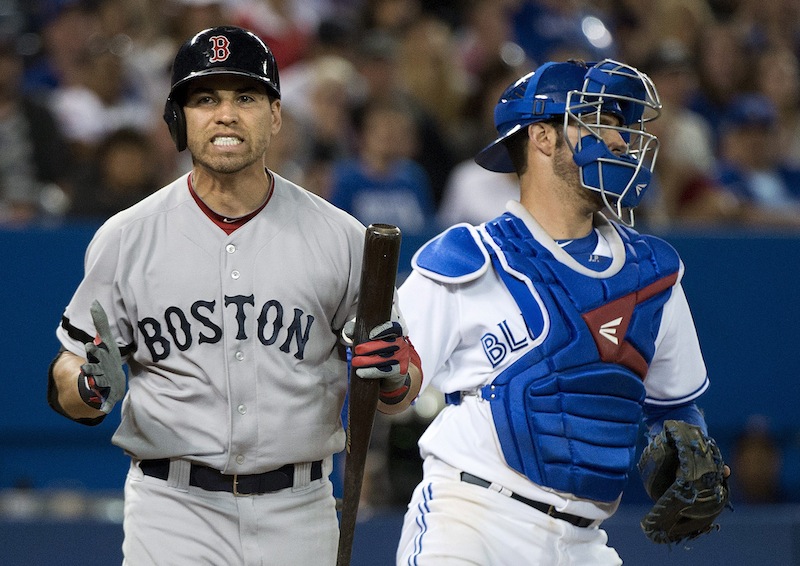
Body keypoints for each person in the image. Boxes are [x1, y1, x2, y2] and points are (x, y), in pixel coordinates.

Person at [46, 26, 423, 565]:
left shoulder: (339, 235)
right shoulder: (127, 237)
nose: (225, 114)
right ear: (179, 120)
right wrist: (83, 386)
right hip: (173, 509)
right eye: (205, 99)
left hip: (299, 509)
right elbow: (69, 370)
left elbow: (403, 382)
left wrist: (393, 375)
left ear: (275, 116)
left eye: (245, 97)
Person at [395, 59, 729, 564]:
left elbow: (675, 407)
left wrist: (690, 449)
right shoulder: (469, 255)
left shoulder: (653, 274)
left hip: (584, 540)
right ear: (543, 138)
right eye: (600, 123)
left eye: (621, 127)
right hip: (471, 520)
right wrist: (382, 371)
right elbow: (389, 387)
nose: (618, 142)